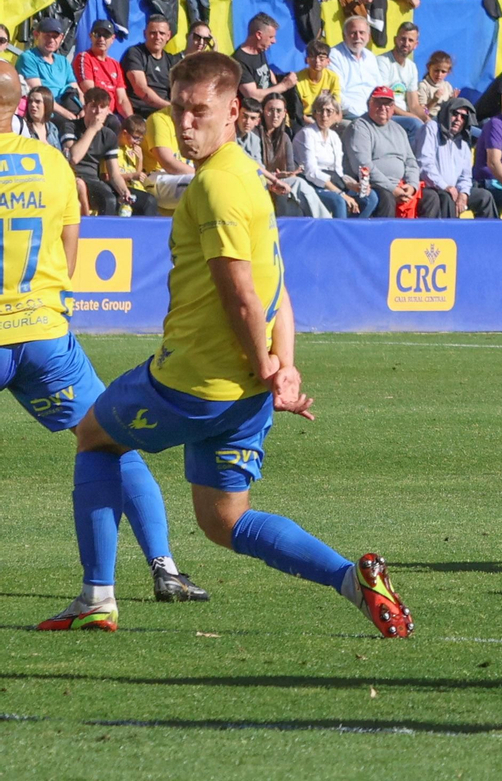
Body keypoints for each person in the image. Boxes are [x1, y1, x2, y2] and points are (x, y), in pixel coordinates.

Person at [40, 51, 412, 637]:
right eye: (179, 110)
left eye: (199, 112)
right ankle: (352, 579)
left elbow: (242, 295)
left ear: (234, 111)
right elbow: (277, 290)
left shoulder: (215, 188)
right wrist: (281, 369)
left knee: (93, 436)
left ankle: (95, 598)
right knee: (225, 521)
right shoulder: (246, 178)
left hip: (190, 382)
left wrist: (270, 364)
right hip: (245, 395)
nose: (186, 124)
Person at [0, 63, 208, 623]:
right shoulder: (49, 163)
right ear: (21, 105)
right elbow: (71, 243)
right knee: (108, 440)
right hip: (43, 331)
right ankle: (163, 565)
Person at [345, 87, 438, 217]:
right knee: (387, 198)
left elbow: (411, 162)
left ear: (393, 107)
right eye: (379, 102)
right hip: (373, 185)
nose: (384, 107)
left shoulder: (399, 129)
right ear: (369, 104)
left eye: (388, 104)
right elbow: (363, 165)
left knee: (431, 197)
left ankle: (422, 236)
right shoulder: (360, 127)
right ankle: (385, 237)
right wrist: (393, 189)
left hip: (401, 186)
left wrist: (412, 186)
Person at [64, 87, 153, 215]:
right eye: (94, 106)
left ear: (107, 111)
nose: (98, 112)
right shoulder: (71, 126)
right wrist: (92, 130)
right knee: (108, 199)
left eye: (102, 107)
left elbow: (114, 174)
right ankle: (101, 234)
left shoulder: (109, 135)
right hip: (75, 178)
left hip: (95, 181)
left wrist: (124, 191)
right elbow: (74, 158)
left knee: (148, 201)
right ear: (85, 108)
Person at [294, 93, 371, 218]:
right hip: (312, 183)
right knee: (339, 201)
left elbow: (338, 172)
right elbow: (311, 172)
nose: (324, 115)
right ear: (314, 113)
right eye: (320, 111)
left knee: (370, 197)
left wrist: (354, 185)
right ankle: (339, 234)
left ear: (336, 115)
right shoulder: (307, 134)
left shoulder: (334, 137)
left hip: (332, 181)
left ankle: (351, 229)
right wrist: (341, 193)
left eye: (329, 111)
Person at [414, 96, 492, 218]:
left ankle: (489, 236)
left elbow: (465, 176)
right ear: (446, 113)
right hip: (431, 187)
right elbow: (424, 165)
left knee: (484, 197)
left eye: (463, 117)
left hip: (454, 189)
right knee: (447, 197)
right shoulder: (431, 128)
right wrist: (445, 186)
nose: (458, 119)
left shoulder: (464, 142)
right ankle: (449, 236)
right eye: (455, 114)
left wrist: (464, 193)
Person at [72, 19, 132, 120]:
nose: (101, 39)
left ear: (113, 39)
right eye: (97, 34)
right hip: (95, 113)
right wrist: (109, 116)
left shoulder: (115, 64)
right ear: (90, 36)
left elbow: (122, 99)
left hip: (112, 116)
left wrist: (131, 120)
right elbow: (90, 92)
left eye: (106, 35)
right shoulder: (84, 57)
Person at [330, 15, 387, 120]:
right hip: (351, 114)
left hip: (375, 112)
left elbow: (379, 88)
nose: (358, 37)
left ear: (368, 36)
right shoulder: (334, 55)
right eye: (353, 33)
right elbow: (337, 94)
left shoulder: (370, 56)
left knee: (413, 124)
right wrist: (361, 113)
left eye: (362, 33)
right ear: (344, 36)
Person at [19, 17, 78, 116]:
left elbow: (76, 90)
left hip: (69, 109)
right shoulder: (28, 58)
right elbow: (39, 94)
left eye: (55, 36)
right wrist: (66, 114)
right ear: (36, 35)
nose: (51, 40)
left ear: (61, 38)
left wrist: (85, 109)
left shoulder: (63, 61)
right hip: (46, 114)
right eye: (47, 36)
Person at [377, 21, 426, 132]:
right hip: (386, 114)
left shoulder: (412, 67)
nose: (406, 43)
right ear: (395, 40)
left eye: (410, 40)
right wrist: (411, 117)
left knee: (434, 125)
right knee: (415, 124)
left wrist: (427, 119)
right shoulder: (383, 61)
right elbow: (383, 100)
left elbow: (414, 105)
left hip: (405, 117)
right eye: (403, 39)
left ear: (416, 45)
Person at [124, 15, 175, 118]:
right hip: (141, 113)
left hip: (166, 113)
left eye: (162, 33)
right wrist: (171, 107)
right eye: (153, 33)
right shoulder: (135, 53)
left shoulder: (171, 60)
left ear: (168, 36)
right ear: (144, 34)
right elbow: (141, 90)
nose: (157, 37)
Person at [294, 41, 341, 116]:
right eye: (312, 58)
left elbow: (336, 104)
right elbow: (297, 111)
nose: (317, 61)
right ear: (307, 60)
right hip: (305, 117)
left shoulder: (333, 78)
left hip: (326, 116)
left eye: (321, 59)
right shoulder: (297, 79)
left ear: (328, 61)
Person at [415, 51, 454, 119]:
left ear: (448, 72)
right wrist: (434, 100)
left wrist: (453, 101)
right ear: (428, 67)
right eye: (436, 70)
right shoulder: (423, 86)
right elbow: (422, 113)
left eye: (443, 71)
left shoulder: (447, 86)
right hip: (431, 119)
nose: (439, 75)